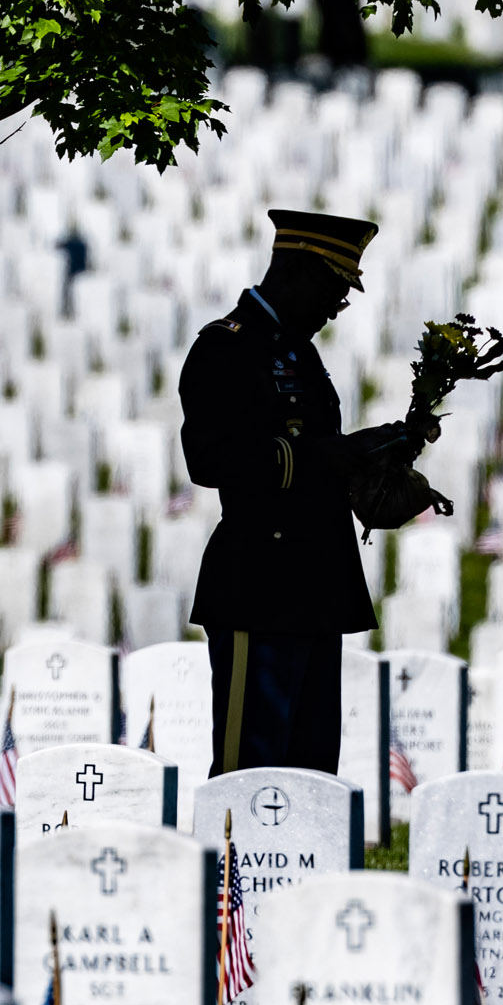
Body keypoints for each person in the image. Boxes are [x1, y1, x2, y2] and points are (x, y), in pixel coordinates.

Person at [179, 209, 428, 776]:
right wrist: (330, 456)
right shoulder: (228, 348)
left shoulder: (297, 350)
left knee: (313, 775)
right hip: (259, 581)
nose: (337, 306)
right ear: (296, 271)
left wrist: (376, 457)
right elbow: (210, 458)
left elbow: (318, 453)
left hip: (315, 580)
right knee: (252, 770)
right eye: (333, 289)